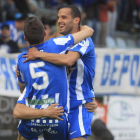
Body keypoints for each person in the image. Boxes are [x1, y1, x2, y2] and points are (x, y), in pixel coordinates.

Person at [16, 5, 97, 140]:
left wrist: (38, 54)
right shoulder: (56, 44)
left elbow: (69, 60)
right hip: (57, 103)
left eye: (64, 17)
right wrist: (20, 72)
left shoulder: (83, 40)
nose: (59, 21)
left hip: (78, 103)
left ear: (76, 20)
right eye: (58, 17)